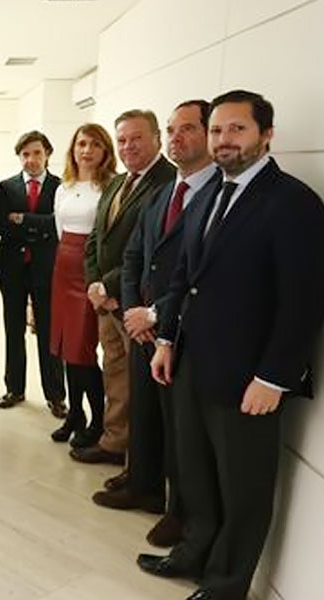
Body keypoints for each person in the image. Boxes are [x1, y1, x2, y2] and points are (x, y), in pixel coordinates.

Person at [141, 90, 324, 600]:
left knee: (243, 487)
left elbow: (303, 305)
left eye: (237, 129)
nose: (224, 140)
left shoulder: (294, 204)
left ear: (266, 135)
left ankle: (225, 584)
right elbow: (183, 276)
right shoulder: (207, 194)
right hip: (190, 364)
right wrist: (166, 339)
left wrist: (274, 377)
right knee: (196, 474)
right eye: (218, 130)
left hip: (248, 377)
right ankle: (192, 555)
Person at [94, 101, 217, 549]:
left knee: (179, 428)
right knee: (145, 412)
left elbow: (204, 272)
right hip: (142, 324)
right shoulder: (166, 193)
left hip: (184, 327)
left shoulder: (215, 195)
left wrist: (153, 314)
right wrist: (133, 312)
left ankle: (176, 510)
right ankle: (142, 484)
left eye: (188, 129)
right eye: (171, 129)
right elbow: (132, 257)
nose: (176, 137)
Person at [74, 110, 176, 466]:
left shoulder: (168, 183)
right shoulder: (117, 182)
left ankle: (140, 458)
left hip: (137, 303)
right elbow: (95, 240)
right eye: (122, 140)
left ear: (156, 139)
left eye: (136, 138)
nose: (127, 146)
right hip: (106, 300)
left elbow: (148, 248)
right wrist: (93, 284)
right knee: (114, 374)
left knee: (140, 384)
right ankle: (115, 442)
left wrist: (108, 285)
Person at [0, 130, 66, 416]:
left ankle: (56, 395)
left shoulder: (61, 187)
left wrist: (22, 220)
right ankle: (15, 388)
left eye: (37, 153)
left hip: (47, 268)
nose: (31, 159)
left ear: (47, 154)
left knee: (49, 332)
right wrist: (40, 225)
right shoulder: (6, 188)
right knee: (13, 329)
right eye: (25, 154)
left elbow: (59, 224)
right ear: (19, 157)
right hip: (12, 269)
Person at [48, 124, 115, 447]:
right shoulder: (64, 187)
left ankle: (100, 421)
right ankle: (76, 414)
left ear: (105, 151)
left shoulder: (110, 187)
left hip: (90, 274)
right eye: (81, 144)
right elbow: (61, 231)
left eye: (94, 145)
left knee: (83, 351)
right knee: (66, 349)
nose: (86, 150)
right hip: (63, 269)